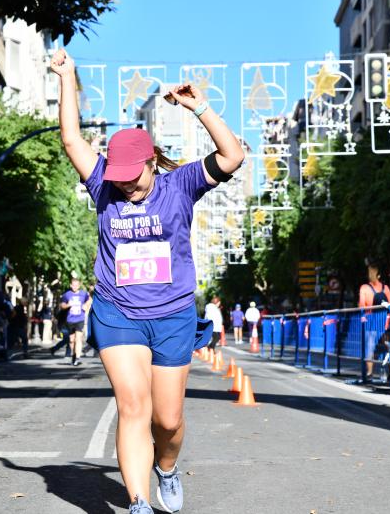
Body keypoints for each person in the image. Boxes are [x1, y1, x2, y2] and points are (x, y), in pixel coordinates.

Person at [52, 47, 245, 514]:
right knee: (132, 408)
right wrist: (67, 76)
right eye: (115, 178)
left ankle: (166, 467)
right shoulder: (103, 185)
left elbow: (233, 155)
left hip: (173, 314)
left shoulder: (180, 185)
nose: (122, 185)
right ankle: (138, 503)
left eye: (131, 177)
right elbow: (72, 140)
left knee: (168, 419)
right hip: (118, 313)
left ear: (150, 162)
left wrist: (198, 107)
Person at [358, 260, 390, 380]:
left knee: (370, 347)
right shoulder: (386, 288)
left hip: (370, 323)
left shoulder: (364, 288)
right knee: (388, 347)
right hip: (385, 323)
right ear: (379, 275)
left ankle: (369, 373)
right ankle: (389, 373)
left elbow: (362, 306)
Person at [60, 277, 92, 366]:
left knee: (78, 338)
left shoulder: (83, 294)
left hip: (80, 319)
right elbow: (62, 305)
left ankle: (77, 358)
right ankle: (74, 355)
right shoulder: (67, 295)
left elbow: (90, 300)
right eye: (73, 285)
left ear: (79, 286)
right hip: (70, 320)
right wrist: (67, 305)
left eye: (76, 285)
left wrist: (86, 305)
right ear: (71, 285)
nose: (75, 287)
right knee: (71, 340)